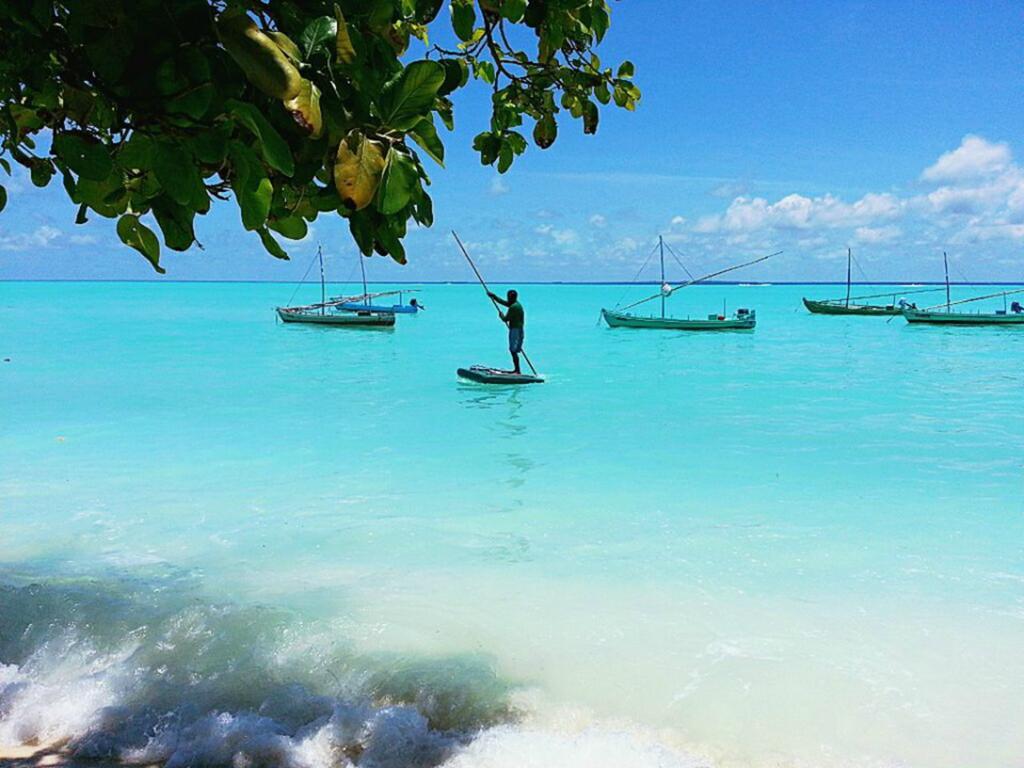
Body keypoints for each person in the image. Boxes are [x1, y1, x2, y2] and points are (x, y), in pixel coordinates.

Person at [488, 289, 525, 374]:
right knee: (514, 350)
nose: (507, 298)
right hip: (518, 330)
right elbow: (506, 303)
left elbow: (506, 319)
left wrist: (501, 315)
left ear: (511, 297)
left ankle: (517, 370)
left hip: (515, 330)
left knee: (513, 350)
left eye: (508, 297)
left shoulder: (513, 307)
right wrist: (494, 297)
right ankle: (517, 370)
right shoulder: (516, 304)